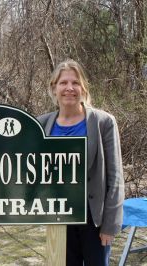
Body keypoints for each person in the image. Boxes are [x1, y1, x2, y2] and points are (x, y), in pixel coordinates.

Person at [38, 59, 124, 265]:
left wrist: (110, 226)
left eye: (75, 83)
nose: (69, 88)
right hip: (59, 216)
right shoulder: (41, 124)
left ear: (83, 88)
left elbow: (116, 177)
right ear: (54, 88)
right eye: (63, 83)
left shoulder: (103, 122)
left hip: (94, 218)